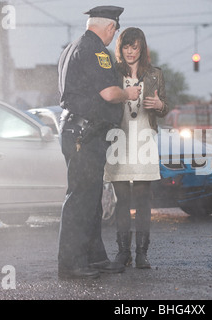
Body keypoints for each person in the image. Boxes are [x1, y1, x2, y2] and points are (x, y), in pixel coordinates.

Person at [57, 6, 141, 279]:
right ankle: (71, 265)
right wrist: (127, 93)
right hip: (85, 135)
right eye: (114, 31)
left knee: (91, 199)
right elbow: (108, 93)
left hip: (78, 131)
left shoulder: (72, 47)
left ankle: (94, 257)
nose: (113, 36)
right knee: (81, 199)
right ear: (110, 28)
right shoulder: (95, 50)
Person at [104, 27, 168, 269]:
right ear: (120, 49)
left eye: (135, 47)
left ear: (142, 48)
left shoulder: (154, 74)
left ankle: (142, 253)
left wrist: (160, 104)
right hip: (118, 139)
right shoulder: (113, 73)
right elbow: (105, 100)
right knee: (122, 201)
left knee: (142, 201)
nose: (130, 52)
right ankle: (123, 252)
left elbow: (164, 108)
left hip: (143, 140)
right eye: (126, 47)